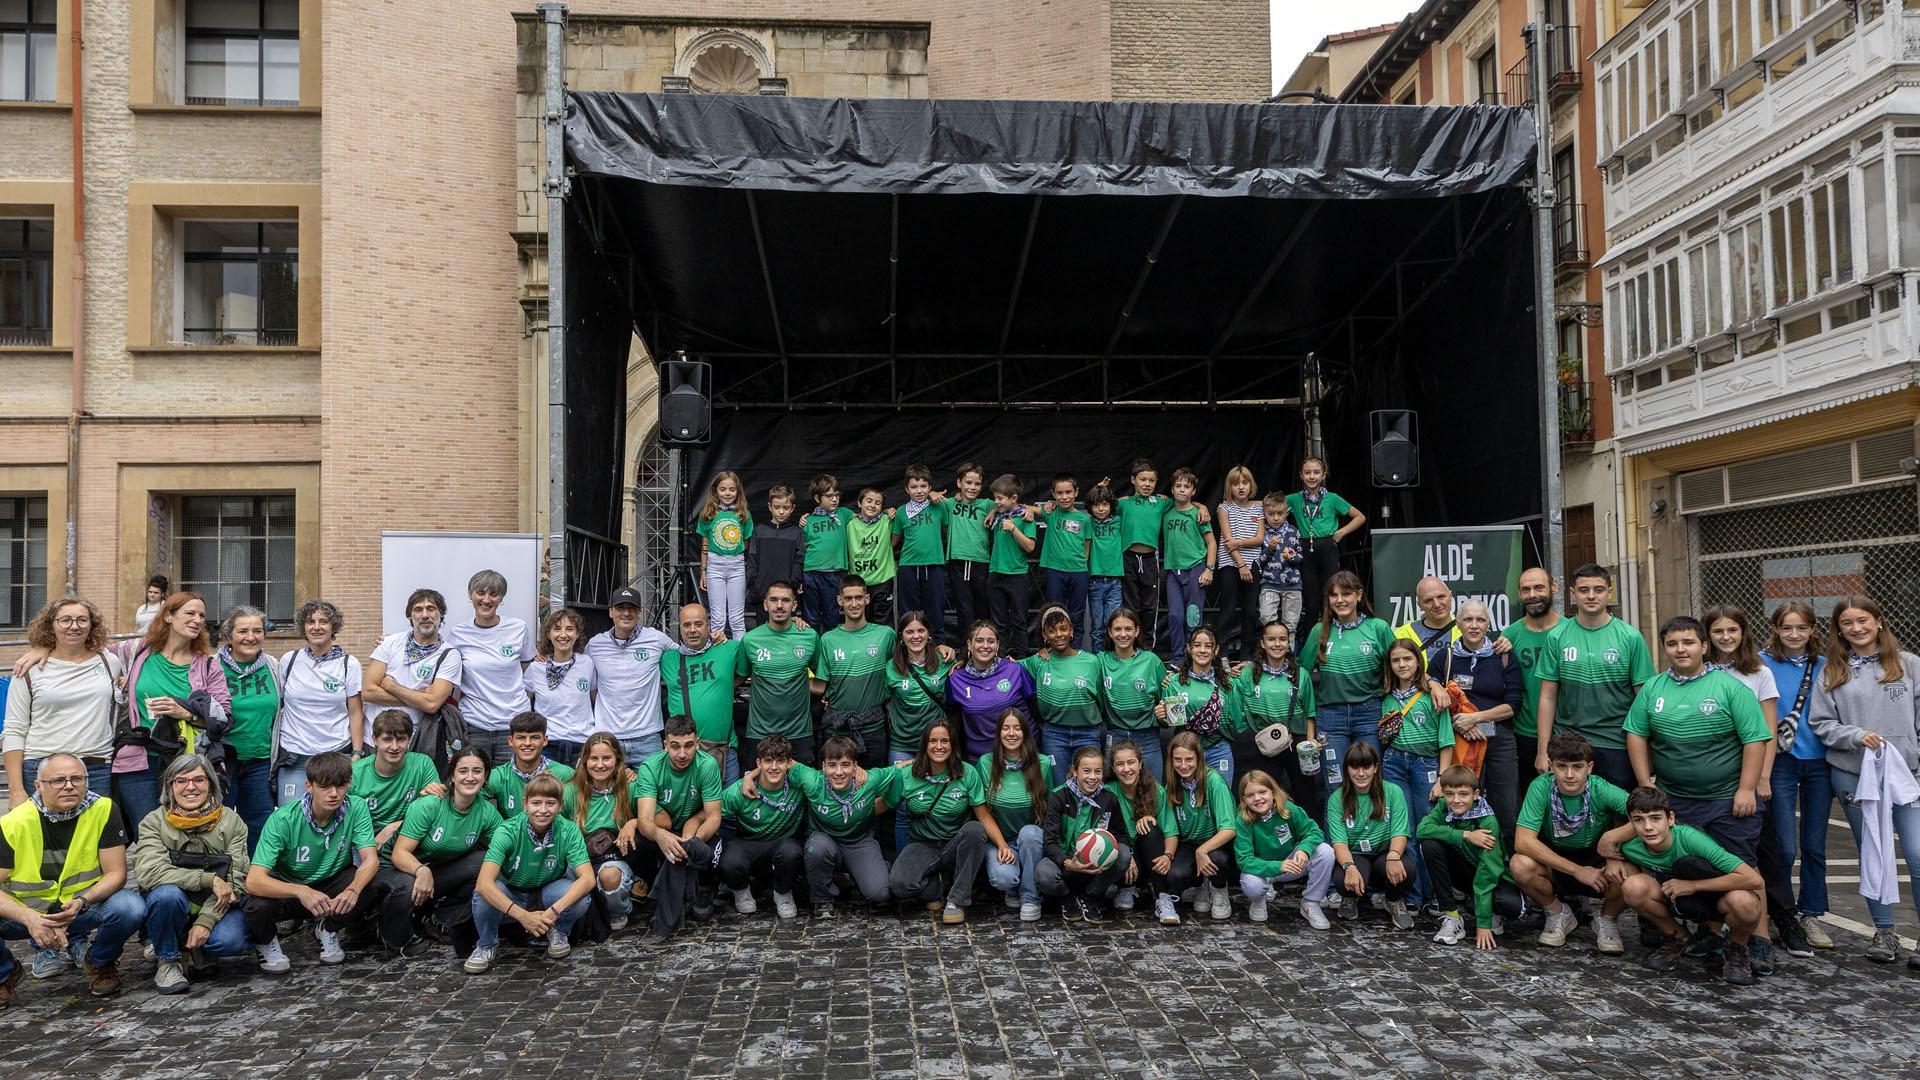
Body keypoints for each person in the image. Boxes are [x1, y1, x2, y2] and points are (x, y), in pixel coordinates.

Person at [1623, 615, 1772, 969]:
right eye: (1672, 644)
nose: (1681, 649)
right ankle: (1707, 933)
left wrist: (1746, 788)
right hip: (1676, 799)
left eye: (1688, 642)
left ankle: (1759, 938)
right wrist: (1645, 783)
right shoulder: (1653, 689)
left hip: (1727, 799)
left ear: (1704, 646)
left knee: (1743, 867)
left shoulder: (1730, 688)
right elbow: (1636, 734)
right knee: (1691, 866)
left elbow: (1755, 740)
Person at [1807, 595, 1920, 964]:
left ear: (1878, 620)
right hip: (1854, 775)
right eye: (1847, 623)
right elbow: (1821, 723)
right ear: (1839, 630)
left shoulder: (1909, 664)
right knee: (1872, 849)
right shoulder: (1832, 672)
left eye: (1863, 620)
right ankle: (1884, 932)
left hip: (1908, 774)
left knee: (1917, 853)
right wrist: (1855, 736)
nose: (1856, 628)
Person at [0, 753, 143, 1002]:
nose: (69, 786)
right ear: (38, 786)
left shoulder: (103, 809)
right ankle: (5, 973)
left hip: (80, 907)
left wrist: (82, 901)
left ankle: (100, 962)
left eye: (77, 779)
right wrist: (30, 918)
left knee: (130, 907)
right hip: (29, 912)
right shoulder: (13, 822)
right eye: (58, 780)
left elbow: (117, 874)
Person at [1705, 602, 1802, 958]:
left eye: (1732, 630)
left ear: (1744, 632)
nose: (1726, 637)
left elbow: (1768, 731)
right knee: (1711, 851)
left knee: (1764, 852)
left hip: (1750, 774)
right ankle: (1713, 927)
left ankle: (1778, 923)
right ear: (1706, 636)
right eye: (1718, 631)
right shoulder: (1698, 670)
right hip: (1711, 776)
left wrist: (1761, 778)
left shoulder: (1759, 672)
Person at [1600, 786, 1764, 985]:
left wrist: (1693, 885)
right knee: (1633, 887)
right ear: (1631, 823)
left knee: (1744, 901)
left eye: (1655, 818)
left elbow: (1754, 880)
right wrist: (1611, 859)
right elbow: (1608, 845)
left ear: (1670, 819)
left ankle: (1736, 949)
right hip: (1676, 897)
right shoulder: (1630, 846)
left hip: (1716, 897)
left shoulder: (1690, 838)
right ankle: (1676, 937)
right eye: (1639, 820)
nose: (1648, 827)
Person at [243, 752, 379, 972]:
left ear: (349, 784)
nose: (333, 794)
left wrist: (353, 890)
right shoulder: (283, 819)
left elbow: (370, 859)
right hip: (290, 888)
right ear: (309, 786)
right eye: (324, 787)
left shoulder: (356, 807)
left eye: (340, 786)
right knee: (256, 905)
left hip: (331, 882)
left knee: (370, 884)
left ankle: (328, 928)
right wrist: (300, 891)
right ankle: (267, 941)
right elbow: (253, 880)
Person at [109, 591, 230, 836]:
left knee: (184, 834)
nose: (197, 620)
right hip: (138, 760)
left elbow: (223, 717)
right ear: (168, 616)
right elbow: (87, 651)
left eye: (201, 615)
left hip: (185, 763)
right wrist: (41, 650)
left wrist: (185, 713)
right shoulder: (136, 652)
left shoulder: (208, 664)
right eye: (190, 613)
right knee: (147, 833)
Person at [132, 753, 252, 993]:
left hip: (214, 906)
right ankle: (168, 960)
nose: (190, 787)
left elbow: (235, 880)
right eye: (181, 781)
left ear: (211, 785)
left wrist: (206, 921)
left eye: (199, 780)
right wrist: (208, 879)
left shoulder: (232, 822)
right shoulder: (153, 822)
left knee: (229, 941)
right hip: (172, 905)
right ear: (170, 786)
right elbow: (150, 872)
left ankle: (194, 946)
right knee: (166, 895)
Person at [1509, 733, 1630, 954]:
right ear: (1551, 766)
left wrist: (1613, 846)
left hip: (1597, 858)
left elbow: (1648, 816)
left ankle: (1607, 919)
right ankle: (1558, 913)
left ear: (1589, 767)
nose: (1570, 774)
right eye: (1562, 766)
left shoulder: (1602, 789)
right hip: (1556, 858)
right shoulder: (1540, 787)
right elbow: (1523, 841)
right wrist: (1577, 870)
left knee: (1629, 873)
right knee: (1520, 864)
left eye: (1577, 767)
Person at [1534, 563, 1652, 791]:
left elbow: (1643, 700)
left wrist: (1647, 751)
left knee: (1619, 807)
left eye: (1598, 590)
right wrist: (1542, 751)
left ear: (1609, 592)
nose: (1591, 596)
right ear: (1572, 594)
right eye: (1583, 590)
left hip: (1616, 743)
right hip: (1568, 742)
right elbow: (1547, 697)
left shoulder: (1630, 637)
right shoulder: (1557, 636)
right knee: (1570, 810)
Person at [1758, 600, 1833, 952]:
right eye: (1786, 627)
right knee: (1784, 847)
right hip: (1781, 762)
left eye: (1801, 627)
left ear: (1812, 629)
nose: (1794, 634)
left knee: (1814, 845)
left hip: (1820, 761)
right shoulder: (1760, 663)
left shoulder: (1826, 665)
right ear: (1775, 628)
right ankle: (1782, 910)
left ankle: (1811, 914)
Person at [466, 772, 595, 972]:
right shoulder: (507, 831)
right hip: (512, 892)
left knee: (581, 898)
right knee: (482, 895)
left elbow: (588, 879)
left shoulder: (569, 830)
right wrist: (523, 916)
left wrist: (554, 911)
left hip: (548, 892)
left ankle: (558, 930)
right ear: (525, 804)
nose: (542, 810)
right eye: (536, 803)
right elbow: (483, 884)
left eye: (550, 803)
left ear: (560, 805)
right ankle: (486, 945)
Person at [382, 745, 501, 957]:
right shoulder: (429, 804)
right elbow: (399, 853)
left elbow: (506, 847)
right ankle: (393, 936)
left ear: (485, 778)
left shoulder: (486, 812)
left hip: (435, 871)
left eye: (477, 771)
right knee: (406, 884)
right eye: (463, 771)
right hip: (394, 868)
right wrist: (421, 870)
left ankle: (439, 919)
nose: (470, 777)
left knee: (485, 863)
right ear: (452, 776)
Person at [5, 596, 121, 802]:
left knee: (95, 824)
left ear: (92, 624)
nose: (74, 626)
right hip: (42, 769)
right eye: (65, 620)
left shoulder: (109, 662)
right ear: (50, 624)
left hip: (95, 768)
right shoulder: (29, 669)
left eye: (82, 620)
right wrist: (16, 791)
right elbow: (14, 730)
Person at [1299, 570, 1395, 796]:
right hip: (1330, 717)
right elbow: (1300, 670)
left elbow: (1400, 663)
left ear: (1359, 595)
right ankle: (1337, 822)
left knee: (1371, 780)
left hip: (1370, 713)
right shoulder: (1319, 631)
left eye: (1346, 594)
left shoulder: (1378, 628)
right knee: (1336, 784)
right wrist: (1254, 667)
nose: (1340, 600)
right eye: (1333, 595)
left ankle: (1373, 821)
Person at [633, 715, 725, 945]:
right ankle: (683, 898)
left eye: (688, 746)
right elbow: (645, 820)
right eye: (675, 746)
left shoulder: (707, 765)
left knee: (685, 852)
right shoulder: (650, 767)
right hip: (665, 829)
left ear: (697, 743)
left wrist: (692, 841)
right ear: (665, 745)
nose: (682, 754)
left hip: (697, 832)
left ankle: (663, 920)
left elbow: (714, 816)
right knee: (645, 841)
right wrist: (661, 835)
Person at [1377, 637, 1453, 915]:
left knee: (1427, 829)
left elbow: (1446, 740)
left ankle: (1434, 895)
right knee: (1403, 829)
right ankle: (1412, 894)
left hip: (1426, 766)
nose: (1402, 664)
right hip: (1394, 763)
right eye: (1396, 660)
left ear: (1418, 662)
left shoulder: (1431, 695)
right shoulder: (1386, 697)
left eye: (1407, 659)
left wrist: (1441, 778)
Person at [889, 719, 989, 925]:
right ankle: (937, 887)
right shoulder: (907, 774)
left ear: (953, 745)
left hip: (955, 845)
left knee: (975, 829)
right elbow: (881, 804)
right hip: (922, 844)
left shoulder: (967, 772)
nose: (939, 746)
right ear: (924, 745)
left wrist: (1003, 845)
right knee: (899, 885)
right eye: (933, 741)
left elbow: (984, 817)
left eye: (945, 741)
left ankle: (956, 901)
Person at [1438, 601, 1523, 843]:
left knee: (1506, 807)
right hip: (1461, 740)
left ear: (1488, 625)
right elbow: (1431, 690)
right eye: (1468, 619)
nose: (1474, 625)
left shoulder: (1503, 657)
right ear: (1458, 624)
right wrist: (1458, 722)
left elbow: (1513, 705)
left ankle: (1507, 860)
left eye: (1480, 620)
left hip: (1499, 740)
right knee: (1462, 805)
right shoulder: (1446, 657)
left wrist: (1474, 718)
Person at [791, 734, 902, 916]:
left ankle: (878, 869)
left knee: (879, 894)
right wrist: (751, 777)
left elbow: (897, 773)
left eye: (845, 765)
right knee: (815, 850)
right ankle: (822, 900)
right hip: (824, 841)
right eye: (832, 765)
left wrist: (889, 803)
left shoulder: (869, 780)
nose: (839, 772)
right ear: (823, 767)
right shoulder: (812, 781)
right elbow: (785, 763)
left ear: (855, 766)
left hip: (859, 842)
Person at [1417, 765, 1523, 950]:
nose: (1456, 800)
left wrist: (1483, 923)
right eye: (1449, 794)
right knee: (1429, 845)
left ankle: (1490, 912)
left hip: (1492, 876)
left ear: (1475, 795)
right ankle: (1452, 916)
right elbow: (1422, 830)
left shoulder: (1487, 821)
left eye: (1463, 794)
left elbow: (1487, 873)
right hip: (1466, 871)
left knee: (1511, 905)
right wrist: (1466, 835)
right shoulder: (1443, 806)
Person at [272, 598, 364, 804]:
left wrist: (357, 753)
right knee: (290, 814)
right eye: (310, 622)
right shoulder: (289, 660)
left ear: (333, 626)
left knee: (332, 812)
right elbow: (279, 704)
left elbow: (355, 711)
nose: (316, 627)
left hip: (335, 754)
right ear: (303, 627)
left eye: (323, 621)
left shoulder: (349, 664)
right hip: (294, 756)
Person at [970, 710, 1054, 921]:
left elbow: (1051, 808)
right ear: (998, 733)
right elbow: (983, 813)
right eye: (1006, 728)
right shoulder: (985, 763)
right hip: (1000, 840)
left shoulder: (1042, 763)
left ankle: (1030, 897)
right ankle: (1013, 887)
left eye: (1017, 728)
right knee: (1003, 879)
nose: (1011, 733)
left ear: (1025, 733)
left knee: (1029, 834)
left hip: (1032, 839)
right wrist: (1001, 845)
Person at [444, 569, 532, 767]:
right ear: (470, 595)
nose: (486, 599)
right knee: (475, 781)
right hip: (474, 725)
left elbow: (529, 670)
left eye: (493, 594)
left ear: (501, 598)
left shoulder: (518, 628)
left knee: (511, 782)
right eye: (480, 593)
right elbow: (437, 658)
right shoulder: (458, 634)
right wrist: (392, 641)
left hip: (514, 724)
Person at [1229, 621, 1318, 816]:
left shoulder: (1301, 674)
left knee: (1306, 796)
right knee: (1266, 798)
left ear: (1289, 643)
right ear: (1262, 643)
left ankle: (1309, 833)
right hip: (1265, 743)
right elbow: (1226, 687)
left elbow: (1310, 713)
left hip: (1297, 743)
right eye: (1271, 639)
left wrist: (1310, 743)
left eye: (1282, 639)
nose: (1277, 644)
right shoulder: (1248, 674)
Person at [811, 575, 898, 769]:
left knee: (874, 783)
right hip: (837, 728)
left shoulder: (885, 635)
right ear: (839, 601)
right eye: (848, 598)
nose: (854, 603)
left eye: (858, 597)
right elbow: (820, 687)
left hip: (873, 727)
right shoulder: (828, 639)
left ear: (867, 599)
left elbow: (901, 670)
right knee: (835, 781)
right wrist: (787, 676)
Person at [1326, 740, 1413, 928]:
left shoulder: (1393, 791)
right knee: (1341, 879)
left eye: (1366, 767)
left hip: (1385, 854)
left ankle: (1393, 899)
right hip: (1356, 855)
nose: (1361, 773)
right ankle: (1350, 897)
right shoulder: (1336, 799)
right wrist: (1349, 867)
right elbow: (1339, 843)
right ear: (1347, 769)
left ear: (1375, 768)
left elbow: (1400, 833)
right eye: (1354, 767)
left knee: (1407, 868)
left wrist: (1393, 856)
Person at [585, 587, 677, 765]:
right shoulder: (595, 645)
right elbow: (584, 678)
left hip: (647, 737)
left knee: (650, 783)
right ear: (610, 612)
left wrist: (715, 640)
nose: (626, 613)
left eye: (632, 608)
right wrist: (543, 656)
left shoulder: (657, 639)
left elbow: (687, 655)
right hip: (608, 737)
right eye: (620, 608)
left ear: (640, 612)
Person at [718, 734, 806, 920]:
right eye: (768, 761)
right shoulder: (739, 790)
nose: (774, 767)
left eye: (780, 761)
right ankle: (741, 891)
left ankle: (783, 893)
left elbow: (827, 777)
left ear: (789, 763)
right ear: (759, 763)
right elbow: (710, 814)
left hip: (782, 843)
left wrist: (859, 770)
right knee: (729, 861)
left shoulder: (799, 785)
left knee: (792, 852)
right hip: (749, 842)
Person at [363, 588, 463, 751]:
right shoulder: (390, 643)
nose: (425, 615)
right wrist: (419, 698)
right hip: (374, 739)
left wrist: (391, 686)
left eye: (431, 609)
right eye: (418, 609)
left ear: (441, 614)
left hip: (415, 742)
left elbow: (432, 704)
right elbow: (368, 692)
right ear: (410, 615)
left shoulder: (449, 655)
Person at [1038, 746, 1131, 921]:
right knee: (1044, 874)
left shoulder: (1109, 799)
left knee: (1124, 854)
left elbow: (1120, 834)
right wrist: (1067, 862)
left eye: (1098, 771)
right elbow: (1049, 841)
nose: (1093, 777)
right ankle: (1067, 899)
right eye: (1086, 771)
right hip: (1065, 861)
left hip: (1096, 864)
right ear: (1075, 771)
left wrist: (1128, 857)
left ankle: (1090, 897)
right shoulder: (1058, 797)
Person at [1232, 768, 1334, 927]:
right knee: (1252, 884)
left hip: (1291, 864)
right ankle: (1258, 900)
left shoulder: (1288, 809)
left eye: (1262, 792)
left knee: (1325, 851)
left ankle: (1311, 902)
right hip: (1263, 869)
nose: (1257, 798)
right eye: (1250, 795)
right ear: (1244, 799)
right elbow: (1244, 860)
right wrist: (1277, 866)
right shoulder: (1242, 820)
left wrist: (1304, 849)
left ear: (1273, 792)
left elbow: (1314, 832)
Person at [739, 580, 822, 775]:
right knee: (756, 789)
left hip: (799, 733)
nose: (779, 605)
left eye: (785, 600)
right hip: (760, 733)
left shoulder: (809, 636)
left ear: (794, 605)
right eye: (773, 600)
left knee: (804, 789)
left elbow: (821, 676)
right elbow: (738, 678)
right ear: (765, 604)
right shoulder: (750, 640)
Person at [216, 605, 281, 848]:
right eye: (243, 631)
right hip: (222, 762)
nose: (250, 637)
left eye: (257, 631)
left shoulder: (273, 666)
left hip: (260, 762)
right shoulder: (211, 666)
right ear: (229, 635)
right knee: (218, 825)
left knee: (259, 827)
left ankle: (255, 870)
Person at [1498, 567, 1563, 792]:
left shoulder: (1570, 631)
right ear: (1519, 594)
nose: (1532, 594)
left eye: (1539, 588)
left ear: (1554, 587)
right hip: (1523, 734)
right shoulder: (1509, 636)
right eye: (1526, 590)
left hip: (1565, 732)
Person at [660, 603, 743, 777]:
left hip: (723, 750)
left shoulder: (729, 649)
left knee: (729, 796)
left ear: (708, 625)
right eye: (686, 625)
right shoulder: (667, 659)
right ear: (680, 628)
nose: (692, 630)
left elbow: (745, 672)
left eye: (698, 624)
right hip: (683, 752)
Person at [1163, 731, 1237, 922]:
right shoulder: (1172, 785)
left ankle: (1219, 889)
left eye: (1189, 759)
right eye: (1177, 760)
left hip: (1217, 843)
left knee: (1217, 859)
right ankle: (1201, 884)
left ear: (1199, 758)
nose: (1183, 765)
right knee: (1174, 876)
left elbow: (1229, 829)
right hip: (1189, 843)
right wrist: (1169, 855)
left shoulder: (1214, 781)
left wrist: (1202, 850)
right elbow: (1171, 829)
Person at [350, 710, 443, 861]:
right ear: (374, 739)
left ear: (410, 739)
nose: (394, 747)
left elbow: (436, 812)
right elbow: (346, 820)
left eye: (400, 739)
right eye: (387, 739)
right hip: (365, 843)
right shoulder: (355, 773)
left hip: (407, 837)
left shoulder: (422, 764)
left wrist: (394, 827)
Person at [1285, 456, 1365, 632]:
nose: (1312, 476)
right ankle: (1311, 641)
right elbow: (1269, 505)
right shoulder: (1294, 499)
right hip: (1305, 548)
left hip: (1327, 547)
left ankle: (1335, 635)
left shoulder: (1332, 498)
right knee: (1311, 602)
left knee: (1331, 594)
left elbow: (1360, 517)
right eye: (1307, 473)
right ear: (1301, 475)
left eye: (1316, 472)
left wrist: (1342, 532)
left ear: (1323, 475)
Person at [1023, 605, 1105, 776]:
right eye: (1052, 631)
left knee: (1089, 783)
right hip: (1054, 735)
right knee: (1058, 786)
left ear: (1071, 631)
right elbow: (1007, 665)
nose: (1059, 634)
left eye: (1063, 628)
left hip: (1088, 733)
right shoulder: (1038, 661)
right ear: (1045, 635)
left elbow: (1102, 699)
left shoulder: (1092, 662)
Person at [1106, 738, 1179, 924]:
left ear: (1140, 764)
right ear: (1113, 768)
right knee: (1118, 850)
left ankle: (1163, 898)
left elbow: (1171, 832)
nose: (1126, 769)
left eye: (1131, 762)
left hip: (1150, 859)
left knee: (1149, 827)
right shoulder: (1107, 792)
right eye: (1120, 764)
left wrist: (1168, 856)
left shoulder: (1156, 790)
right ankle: (1126, 888)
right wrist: (1126, 855)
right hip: (1123, 860)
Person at [1155, 625, 1239, 786]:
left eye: (1208, 646)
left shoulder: (1227, 684)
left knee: (1221, 797)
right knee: (1183, 798)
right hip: (1185, 752)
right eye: (1197, 645)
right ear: (1189, 648)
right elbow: (1169, 723)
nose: (1202, 650)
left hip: (1218, 750)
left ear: (1216, 650)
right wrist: (1161, 717)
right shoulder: (1174, 682)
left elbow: (1235, 722)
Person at [946, 621, 1035, 761]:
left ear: (998, 645)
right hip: (980, 757)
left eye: (991, 641)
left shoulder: (1014, 669)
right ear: (969, 644)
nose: (985, 646)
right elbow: (953, 716)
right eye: (979, 640)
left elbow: (1034, 705)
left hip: (1021, 752)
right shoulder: (956, 679)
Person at [523, 608, 598, 762]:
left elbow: (595, 700)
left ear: (577, 634)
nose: (563, 635)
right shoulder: (536, 668)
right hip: (547, 745)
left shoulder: (587, 663)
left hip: (582, 744)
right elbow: (523, 703)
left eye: (569, 629)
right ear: (548, 634)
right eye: (557, 629)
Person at [1099, 609, 1165, 779]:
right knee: (1114, 792)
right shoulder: (1100, 661)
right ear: (1110, 632)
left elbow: (1166, 702)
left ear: (1137, 631)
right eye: (1117, 629)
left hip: (1147, 737)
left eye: (1128, 629)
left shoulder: (1152, 661)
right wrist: (1046, 651)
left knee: (1153, 790)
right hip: (1115, 736)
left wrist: (1163, 715)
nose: (1123, 634)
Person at [1116, 459, 1172, 653]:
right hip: (1127, 558)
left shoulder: (1161, 502)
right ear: (1133, 480)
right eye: (1143, 479)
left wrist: (1203, 507)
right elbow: (1097, 505)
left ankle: (1147, 649)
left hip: (1150, 559)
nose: (1147, 484)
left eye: (1151, 480)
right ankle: (1130, 648)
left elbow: (1185, 501)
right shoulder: (1123, 503)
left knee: (1149, 607)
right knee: (1131, 606)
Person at [1031, 474, 1093, 649]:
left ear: (1076, 492)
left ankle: (1075, 652)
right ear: (1053, 494)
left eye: (1068, 492)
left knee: (1076, 615)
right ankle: (1052, 651)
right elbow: (1022, 507)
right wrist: (1032, 509)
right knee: (1053, 613)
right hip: (1055, 571)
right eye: (1059, 493)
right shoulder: (1051, 513)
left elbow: (1087, 546)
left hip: (1078, 572)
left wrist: (1080, 564)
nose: (1064, 497)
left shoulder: (1084, 519)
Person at [1211, 465, 1264, 661]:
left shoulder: (1259, 508)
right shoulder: (1224, 508)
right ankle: (1222, 653)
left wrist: (1239, 542)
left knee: (1250, 610)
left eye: (1244, 483)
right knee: (1228, 608)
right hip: (1231, 564)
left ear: (1251, 485)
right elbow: (1228, 541)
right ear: (1229, 487)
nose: (1241, 487)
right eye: (1236, 484)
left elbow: (1260, 539)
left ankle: (1246, 656)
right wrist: (1241, 564)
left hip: (1254, 563)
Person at [1160, 468, 1215, 660]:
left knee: (1193, 616)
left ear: (1193, 491)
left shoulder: (1198, 514)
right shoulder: (1166, 510)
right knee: (1175, 615)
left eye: (1187, 486)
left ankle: (1195, 657)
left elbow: (1211, 543)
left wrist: (1209, 569)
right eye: (1178, 486)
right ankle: (1179, 657)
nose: (1182, 489)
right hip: (1173, 571)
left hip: (1195, 568)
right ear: (1172, 489)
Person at [893, 464, 949, 643]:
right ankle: (906, 649)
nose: (919, 491)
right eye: (914, 487)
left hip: (934, 565)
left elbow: (948, 531)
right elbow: (892, 541)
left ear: (930, 487)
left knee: (936, 610)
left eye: (923, 486)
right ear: (906, 489)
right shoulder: (901, 511)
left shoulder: (939, 507)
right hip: (908, 566)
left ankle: (937, 647)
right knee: (908, 612)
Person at [483, 710, 575, 816]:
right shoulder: (499, 776)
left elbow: (580, 812)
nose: (527, 743)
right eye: (521, 738)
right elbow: (472, 805)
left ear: (545, 740)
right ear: (510, 741)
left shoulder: (565, 774)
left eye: (534, 737)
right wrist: (497, 824)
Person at [985, 473, 1038, 655]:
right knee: (998, 622)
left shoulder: (1026, 517)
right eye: (995, 498)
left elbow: (1030, 546)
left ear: (1014, 498)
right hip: (995, 573)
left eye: (1000, 498)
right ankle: (999, 659)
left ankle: (1021, 661)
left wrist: (1014, 529)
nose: (996, 502)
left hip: (1017, 575)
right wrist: (994, 511)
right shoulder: (999, 514)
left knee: (1019, 621)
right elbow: (995, 508)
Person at [698, 470, 754, 639]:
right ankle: (718, 651)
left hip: (737, 565)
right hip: (715, 566)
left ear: (738, 491)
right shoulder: (708, 513)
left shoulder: (743, 514)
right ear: (715, 491)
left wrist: (732, 550)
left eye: (732, 489)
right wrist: (703, 571)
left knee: (737, 618)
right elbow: (705, 545)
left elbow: (746, 542)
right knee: (718, 618)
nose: (727, 493)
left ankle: (740, 653)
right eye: (723, 489)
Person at [945, 463, 995, 644]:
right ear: (959, 483)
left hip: (981, 561)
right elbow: (928, 499)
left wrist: (995, 510)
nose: (972, 487)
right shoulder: (951, 503)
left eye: (977, 483)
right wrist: (933, 494)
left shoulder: (987, 504)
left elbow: (1009, 503)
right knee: (964, 609)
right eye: (968, 482)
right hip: (959, 560)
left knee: (983, 607)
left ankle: (985, 647)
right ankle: (967, 650)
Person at [800, 473, 854, 631]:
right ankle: (813, 645)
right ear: (817, 498)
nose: (835, 499)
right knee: (811, 617)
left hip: (834, 574)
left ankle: (830, 645)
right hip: (810, 573)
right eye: (829, 496)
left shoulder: (844, 514)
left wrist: (888, 511)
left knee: (832, 616)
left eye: (837, 495)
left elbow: (867, 517)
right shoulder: (808, 521)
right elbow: (801, 549)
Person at [746, 483, 805, 628]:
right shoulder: (759, 531)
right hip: (762, 594)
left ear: (792, 508)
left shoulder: (796, 533)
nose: (781, 512)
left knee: (787, 631)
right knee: (763, 631)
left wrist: (793, 584)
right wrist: (755, 585)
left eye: (786, 507)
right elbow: (752, 559)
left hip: (787, 595)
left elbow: (799, 560)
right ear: (770, 506)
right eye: (777, 507)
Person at [1251, 493, 1304, 638]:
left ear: (1286, 513)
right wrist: (1270, 550)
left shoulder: (1293, 532)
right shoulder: (1261, 533)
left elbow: (1301, 556)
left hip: (1293, 584)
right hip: (1269, 584)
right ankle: (1271, 649)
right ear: (1264, 514)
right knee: (1266, 617)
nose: (1276, 518)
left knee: (1291, 624)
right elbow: (1258, 561)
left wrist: (1292, 557)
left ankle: (1289, 651)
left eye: (1280, 514)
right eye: (1271, 514)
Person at [845, 486, 897, 625]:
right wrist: (805, 517)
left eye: (878, 503)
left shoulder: (887, 521)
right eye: (869, 501)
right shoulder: (849, 524)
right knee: (858, 621)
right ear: (859, 503)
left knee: (883, 623)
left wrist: (890, 511)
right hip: (858, 584)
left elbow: (906, 513)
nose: (873, 505)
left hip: (882, 582)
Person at [1085, 484, 1126, 653]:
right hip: (1095, 581)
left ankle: (1112, 658)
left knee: (1114, 624)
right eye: (1096, 505)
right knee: (1097, 627)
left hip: (1115, 580)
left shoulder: (1119, 521)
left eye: (1105, 504)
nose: (1101, 509)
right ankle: (1098, 660)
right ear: (1090, 507)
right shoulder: (1087, 522)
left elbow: (1129, 503)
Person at [1393, 576, 1461, 669]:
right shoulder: (1403, 635)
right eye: (1428, 601)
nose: (1437, 604)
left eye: (1441, 597)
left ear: (1450, 596)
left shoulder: (1466, 630)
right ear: (1419, 605)